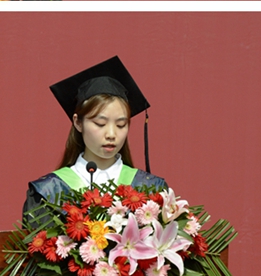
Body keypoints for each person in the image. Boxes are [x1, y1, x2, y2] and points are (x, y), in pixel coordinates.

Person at [23, 56, 167, 222]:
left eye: (121, 125)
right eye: (100, 123)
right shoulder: (49, 192)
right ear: (78, 123)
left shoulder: (149, 188)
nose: (111, 134)